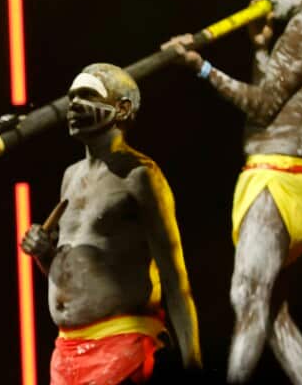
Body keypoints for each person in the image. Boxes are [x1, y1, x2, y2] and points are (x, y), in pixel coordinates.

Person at [164, 0, 302, 384]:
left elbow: (261, 106)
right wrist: (261, 51)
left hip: (279, 177)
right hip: (285, 173)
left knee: (246, 294)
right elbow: (276, 100)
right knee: (272, 310)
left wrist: (200, 67)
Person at [21, 64, 202, 385]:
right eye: (71, 97)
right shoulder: (70, 176)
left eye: (87, 95)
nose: (73, 106)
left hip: (122, 346)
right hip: (66, 351)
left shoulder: (141, 176)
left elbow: (175, 279)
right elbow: (74, 274)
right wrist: (43, 253)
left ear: (122, 108)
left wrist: (193, 366)